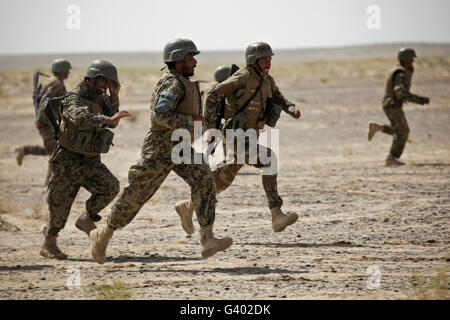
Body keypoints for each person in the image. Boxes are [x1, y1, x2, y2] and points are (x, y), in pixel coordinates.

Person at [90, 39, 233, 265]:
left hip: (181, 145)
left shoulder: (184, 83)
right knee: (137, 195)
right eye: (190, 58)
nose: (195, 61)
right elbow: (159, 116)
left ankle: (207, 239)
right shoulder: (172, 84)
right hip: (160, 148)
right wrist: (190, 120)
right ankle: (103, 234)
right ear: (177, 61)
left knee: (204, 179)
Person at [175, 42, 301, 236]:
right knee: (269, 159)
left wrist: (290, 108)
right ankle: (276, 214)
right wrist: (210, 128)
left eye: (270, 59)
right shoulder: (242, 77)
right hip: (235, 135)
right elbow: (212, 95)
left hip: (250, 134)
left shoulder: (267, 80)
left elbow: (277, 96)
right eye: (264, 59)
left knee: (224, 179)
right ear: (253, 60)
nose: (268, 62)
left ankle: (189, 205)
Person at [40, 60, 130, 260]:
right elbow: (79, 117)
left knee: (110, 187)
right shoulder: (73, 97)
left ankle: (86, 218)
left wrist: (114, 98)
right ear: (90, 79)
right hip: (67, 161)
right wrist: (106, 120)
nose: (104, 86)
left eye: (108, 83)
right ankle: (49, 242)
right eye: (102, 82)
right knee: (59, 209)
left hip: (90, 161)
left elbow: (111, 121)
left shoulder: (101, 98)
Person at [368, 48, 430, 166]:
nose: (412, 62)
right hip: (392, 105)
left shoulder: (399, 70)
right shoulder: (400, 73)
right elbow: (400, 92)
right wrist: (420, 100)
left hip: (390, 104)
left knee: (400, 131)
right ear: (406, 60)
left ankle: (378, 128)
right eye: (411, 60)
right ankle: (391, 158)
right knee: (403, 132)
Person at [15, 58, 71, 185]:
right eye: (66, 70)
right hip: (47, 121)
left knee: (52, 149)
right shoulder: (56, 83)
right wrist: (40, 119)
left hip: (50, 121)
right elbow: (44, 101)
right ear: (61, 71)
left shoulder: (53, 81)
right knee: (55, 151)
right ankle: (50, 181)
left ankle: (24, 150)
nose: (68, 73)